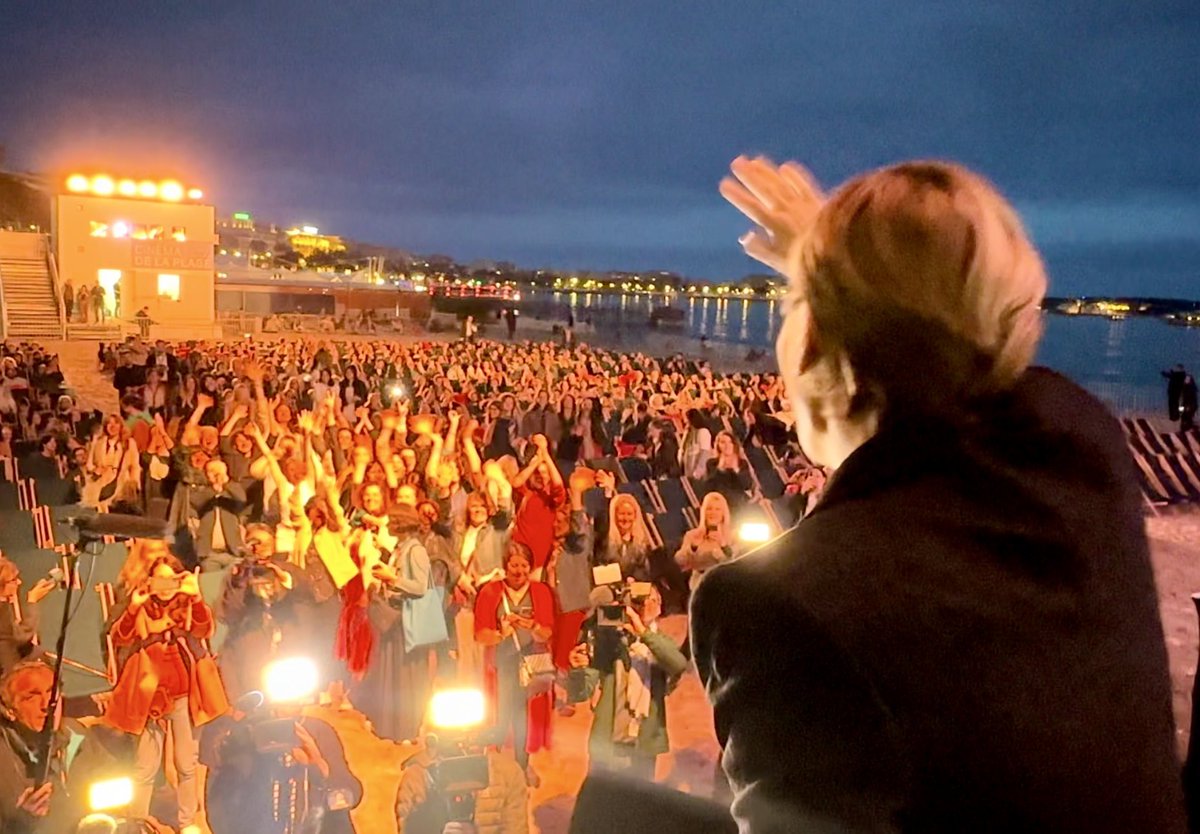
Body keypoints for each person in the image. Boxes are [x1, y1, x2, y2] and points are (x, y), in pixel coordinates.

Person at [691, 156, 1186, 832]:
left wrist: (836, 274)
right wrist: (842, 266)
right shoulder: (1082, 447)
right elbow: (989, 366)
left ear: (811, 351)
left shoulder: (783, 609)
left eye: (791, 310)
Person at [107, 556, 230, 834]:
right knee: (145, 766)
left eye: (169, 579)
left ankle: (187, 822)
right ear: (150, 581)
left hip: (186, 695)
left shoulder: (188, 603)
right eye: (159, 580)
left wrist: (196, 597)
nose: (164, 587)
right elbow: (119, 637)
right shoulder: (140, 606)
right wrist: (133, 608)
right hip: (151, 698)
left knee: (186, 764)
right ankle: (137, 823)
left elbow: (204, 629)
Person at [568, 583, 687, 780]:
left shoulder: (661, 645)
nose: (643, 607)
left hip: (643, 746)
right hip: (608, 746)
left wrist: (643, 632)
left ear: (659, 607)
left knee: (638, 807)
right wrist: (577, 668)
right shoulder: (610, 642)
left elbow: (678, 664)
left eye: (650, 600)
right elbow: (581, 691)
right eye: (637, 601)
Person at [474, 543, 554, 781]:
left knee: (523, 716)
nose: (519, 571)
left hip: (530, 663)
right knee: (500, 714)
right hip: (502, 663)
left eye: (524, 565)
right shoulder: (491, 591)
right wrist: (501, 634)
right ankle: (493, 763)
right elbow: (480, 634)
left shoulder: (540, 591)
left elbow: (548, 632)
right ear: (505, 565)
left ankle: (521, 765)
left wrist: (532, 626)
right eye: (514, 565)